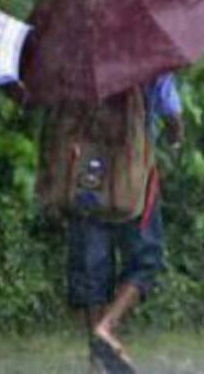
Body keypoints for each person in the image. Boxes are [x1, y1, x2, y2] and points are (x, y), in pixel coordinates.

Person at [57, 74, 184, 374]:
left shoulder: (76, 61)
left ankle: (96, 361)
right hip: (134, 176)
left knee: (90, 266)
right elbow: (172, 114)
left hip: (87, 174)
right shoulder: (151, 63)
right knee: (145, 258)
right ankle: (106, 326)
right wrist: (175, 137)